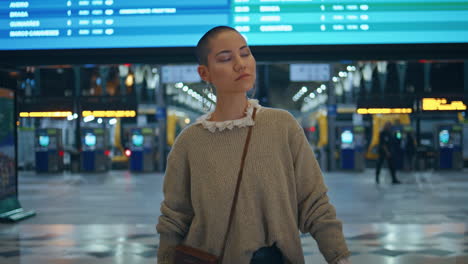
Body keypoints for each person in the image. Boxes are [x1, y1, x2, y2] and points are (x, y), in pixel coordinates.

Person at [156, 26, 351, 264]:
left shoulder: (282, 126)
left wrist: (338, 256)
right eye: (226, 58)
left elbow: (313, 202)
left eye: (245, 54)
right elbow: (174, 218)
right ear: (204, 73)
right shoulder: (189, 142)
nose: (240, 64)